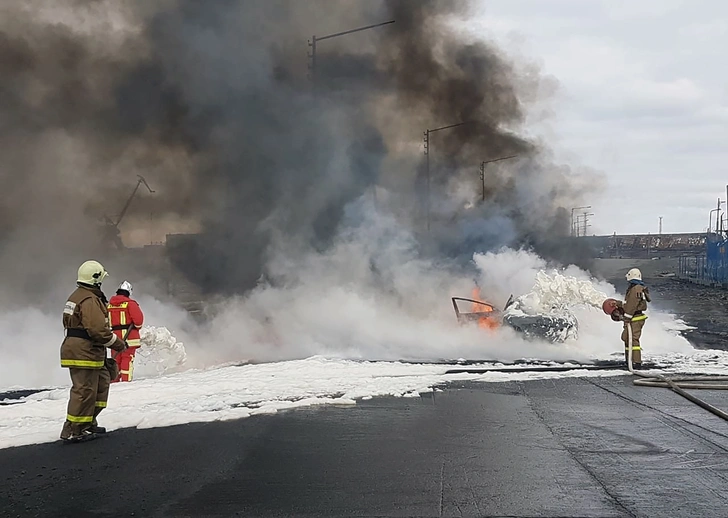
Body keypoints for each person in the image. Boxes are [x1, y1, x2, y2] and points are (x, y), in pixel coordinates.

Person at [60, 260, 128, 443]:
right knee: (84, 390)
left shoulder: (79, 296)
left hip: (87, 350)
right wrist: (118, 344)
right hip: (84, 352)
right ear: (95, 279)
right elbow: (97, 329)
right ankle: (74, 429)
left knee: (101, 384)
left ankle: (88, 422)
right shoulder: (89, 299)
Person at [107, 280, 145, 382]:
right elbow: (138, 322)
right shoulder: (130, 304)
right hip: (129, 338)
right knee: (127, 359)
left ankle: (114, 382)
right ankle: (125, 382)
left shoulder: (109, 305)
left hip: (114, 338)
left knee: (115, 360)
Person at [619, 267, 651, 368]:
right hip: (633, 317)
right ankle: (629, 360)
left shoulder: (636, 289)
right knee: (626, 338)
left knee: (633, 339)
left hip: (635, 318)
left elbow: (632, 304)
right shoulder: (636, 288)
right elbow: (629, 303)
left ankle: (636, 362)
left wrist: (627, 317)